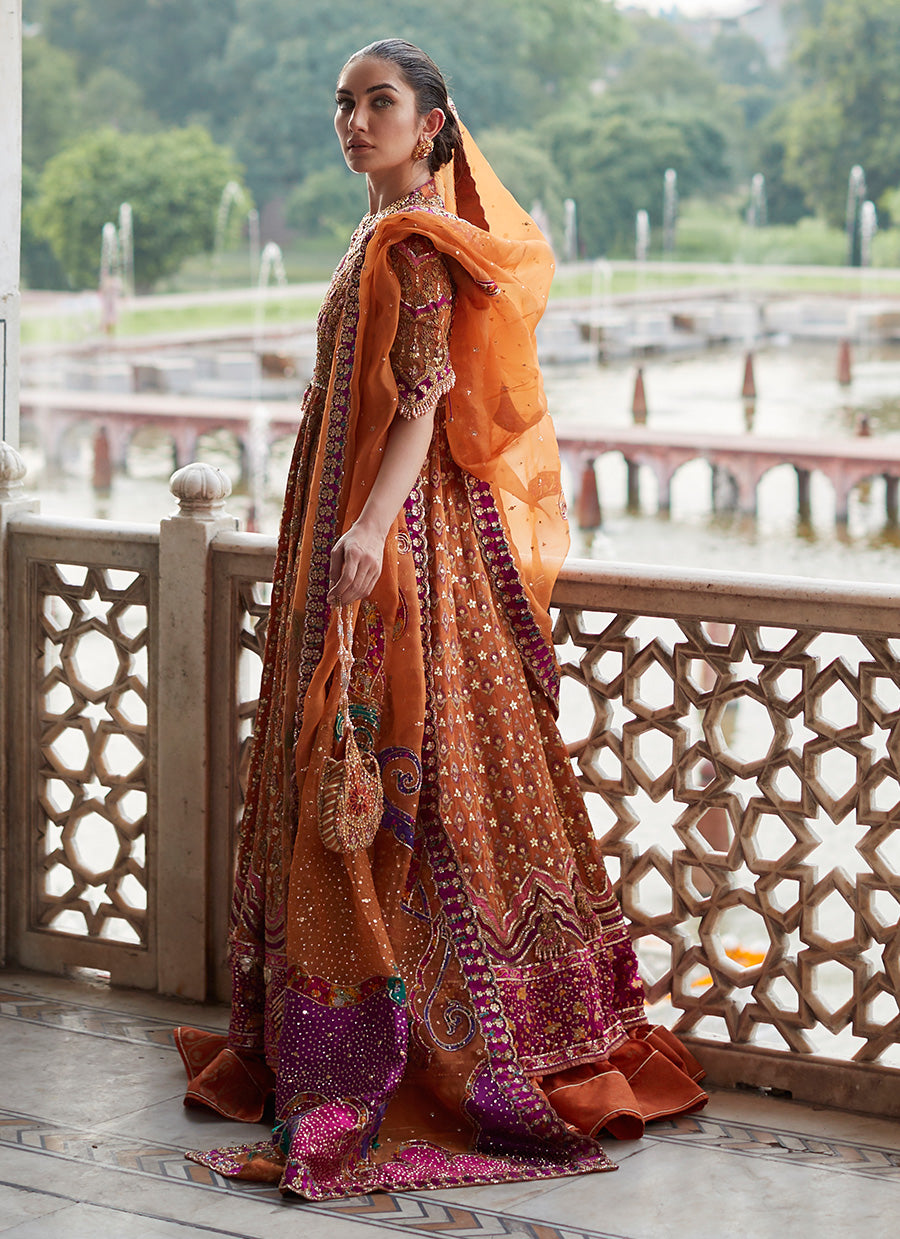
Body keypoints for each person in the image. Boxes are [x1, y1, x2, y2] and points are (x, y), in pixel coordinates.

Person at [174, 38, 706, 1201]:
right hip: (352, 520)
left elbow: (426, 400)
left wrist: (365, 530)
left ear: (432, 124)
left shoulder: (417, 240)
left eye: (380, 104)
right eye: (344, 105)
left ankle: (406, 1043)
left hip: (398, 540)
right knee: (361, 768)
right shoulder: (380, 232)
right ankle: (345, 1028)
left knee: (388, 761)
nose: (355, 121)